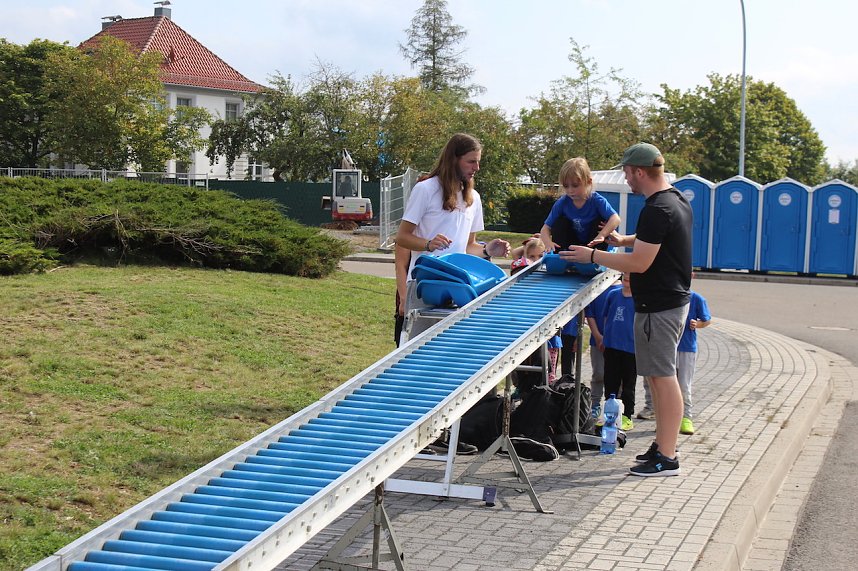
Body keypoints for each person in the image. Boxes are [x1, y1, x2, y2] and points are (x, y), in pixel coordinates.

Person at [561, 142, 692, 477]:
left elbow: (640, 263)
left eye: (627, 172)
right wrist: (625, 240)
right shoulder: (674, 200)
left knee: (664, 380)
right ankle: (664, 445)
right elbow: (653, 241)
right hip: (669, 302)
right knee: (660, 377)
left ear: (638, 171)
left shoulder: (656, 208)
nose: (626, 179)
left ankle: (668, 456)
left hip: (658, 307)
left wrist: (592, 256)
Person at [395, 133, 510, 338]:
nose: (476, 168)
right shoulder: (425, 189)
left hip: (459, 288)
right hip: (425, 286)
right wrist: (428, 244)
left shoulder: (473, 198)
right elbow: (402, 237)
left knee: (449, 358)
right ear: (454, 159)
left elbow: (467, 247)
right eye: (471, 162)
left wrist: (487, 250)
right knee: (414, 357)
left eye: (478, 162)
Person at [539, 157, 621, 254]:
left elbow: (616, 219)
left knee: (601, 222)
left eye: (575, 185)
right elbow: (545, 228)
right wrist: (548, 243)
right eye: (566, 186)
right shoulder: (562, 202)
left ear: (588, 182)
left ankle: (596, 255)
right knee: (559, 222)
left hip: (592, 243)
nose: (570, 190)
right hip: (571, 244)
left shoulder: (597, 200)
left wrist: (602, 235)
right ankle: (561, 254)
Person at [600, 273, 637, 432]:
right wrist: (605, 338)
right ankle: (609, 414)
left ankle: (627, 415)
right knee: (610, 381)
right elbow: (607, 317)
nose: (627, 277)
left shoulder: (640, 298)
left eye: (631, 275)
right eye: (626, 274)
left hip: (631, 348)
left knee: (628, 383)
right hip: (612, 346)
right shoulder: (613, 294)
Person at [584, 276, 622, 419]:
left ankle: (615, 405)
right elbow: (590, 314)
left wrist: (611, 338)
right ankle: (595, 404)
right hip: (597, 340)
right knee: (598, 373)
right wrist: (598, 336)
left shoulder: (622, 290)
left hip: (617, 343)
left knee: (616, 375)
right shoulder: (596, 289)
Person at [675, 289, 712, 435]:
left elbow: (707, 320)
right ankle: (668, 419)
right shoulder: (670, 294)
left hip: (687, 347)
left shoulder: (696, 298)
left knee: (684, 384)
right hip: (669, 346)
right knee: (667, 385)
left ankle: (686, 418)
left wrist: (697, 324)